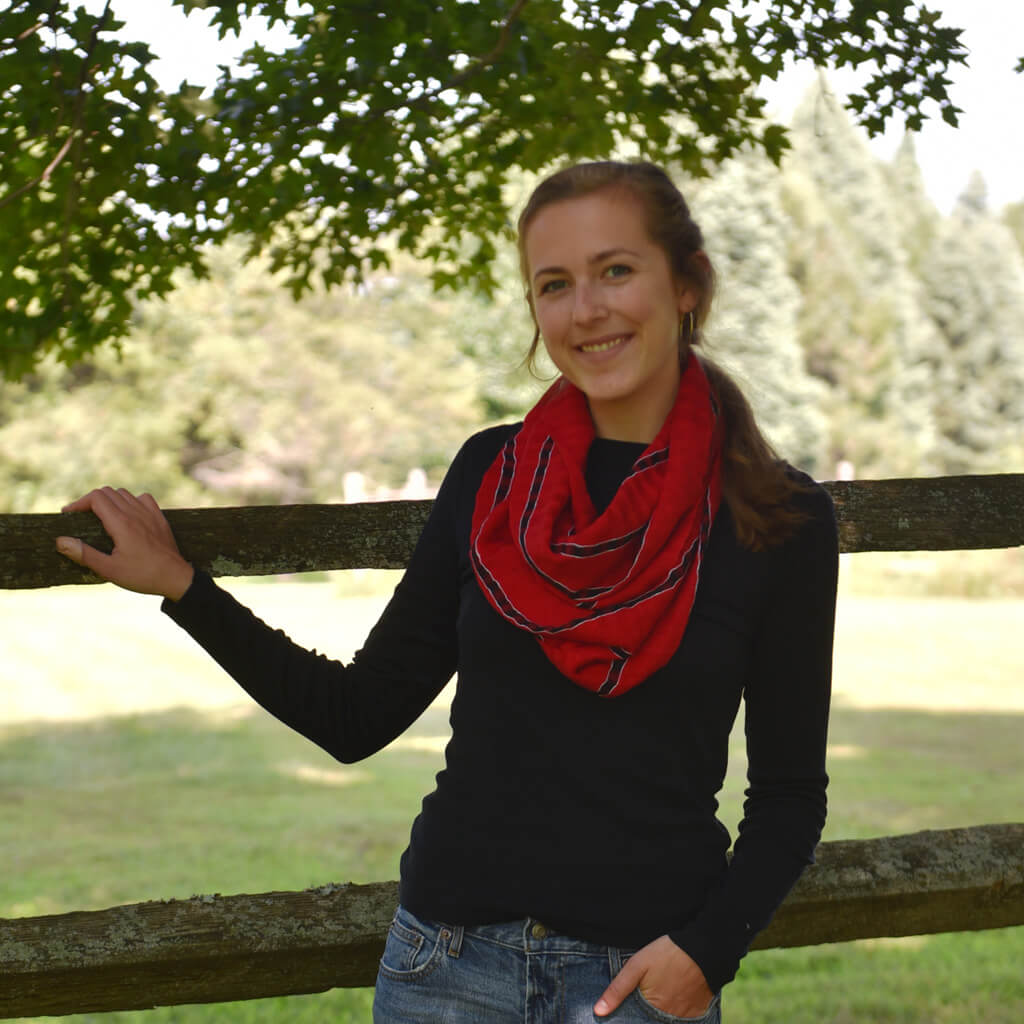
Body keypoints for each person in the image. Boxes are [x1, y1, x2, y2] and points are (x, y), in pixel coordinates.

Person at [56, 160, 838, 1023]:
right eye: (554, 284)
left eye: (616, 270)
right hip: (447, 972)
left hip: (639, 986)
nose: (586, 309)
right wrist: (182, 587)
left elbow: (789, 794)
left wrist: (706, 954)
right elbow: (357, 715)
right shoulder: (492, 476)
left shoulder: (779, 517)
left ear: (687, 283)